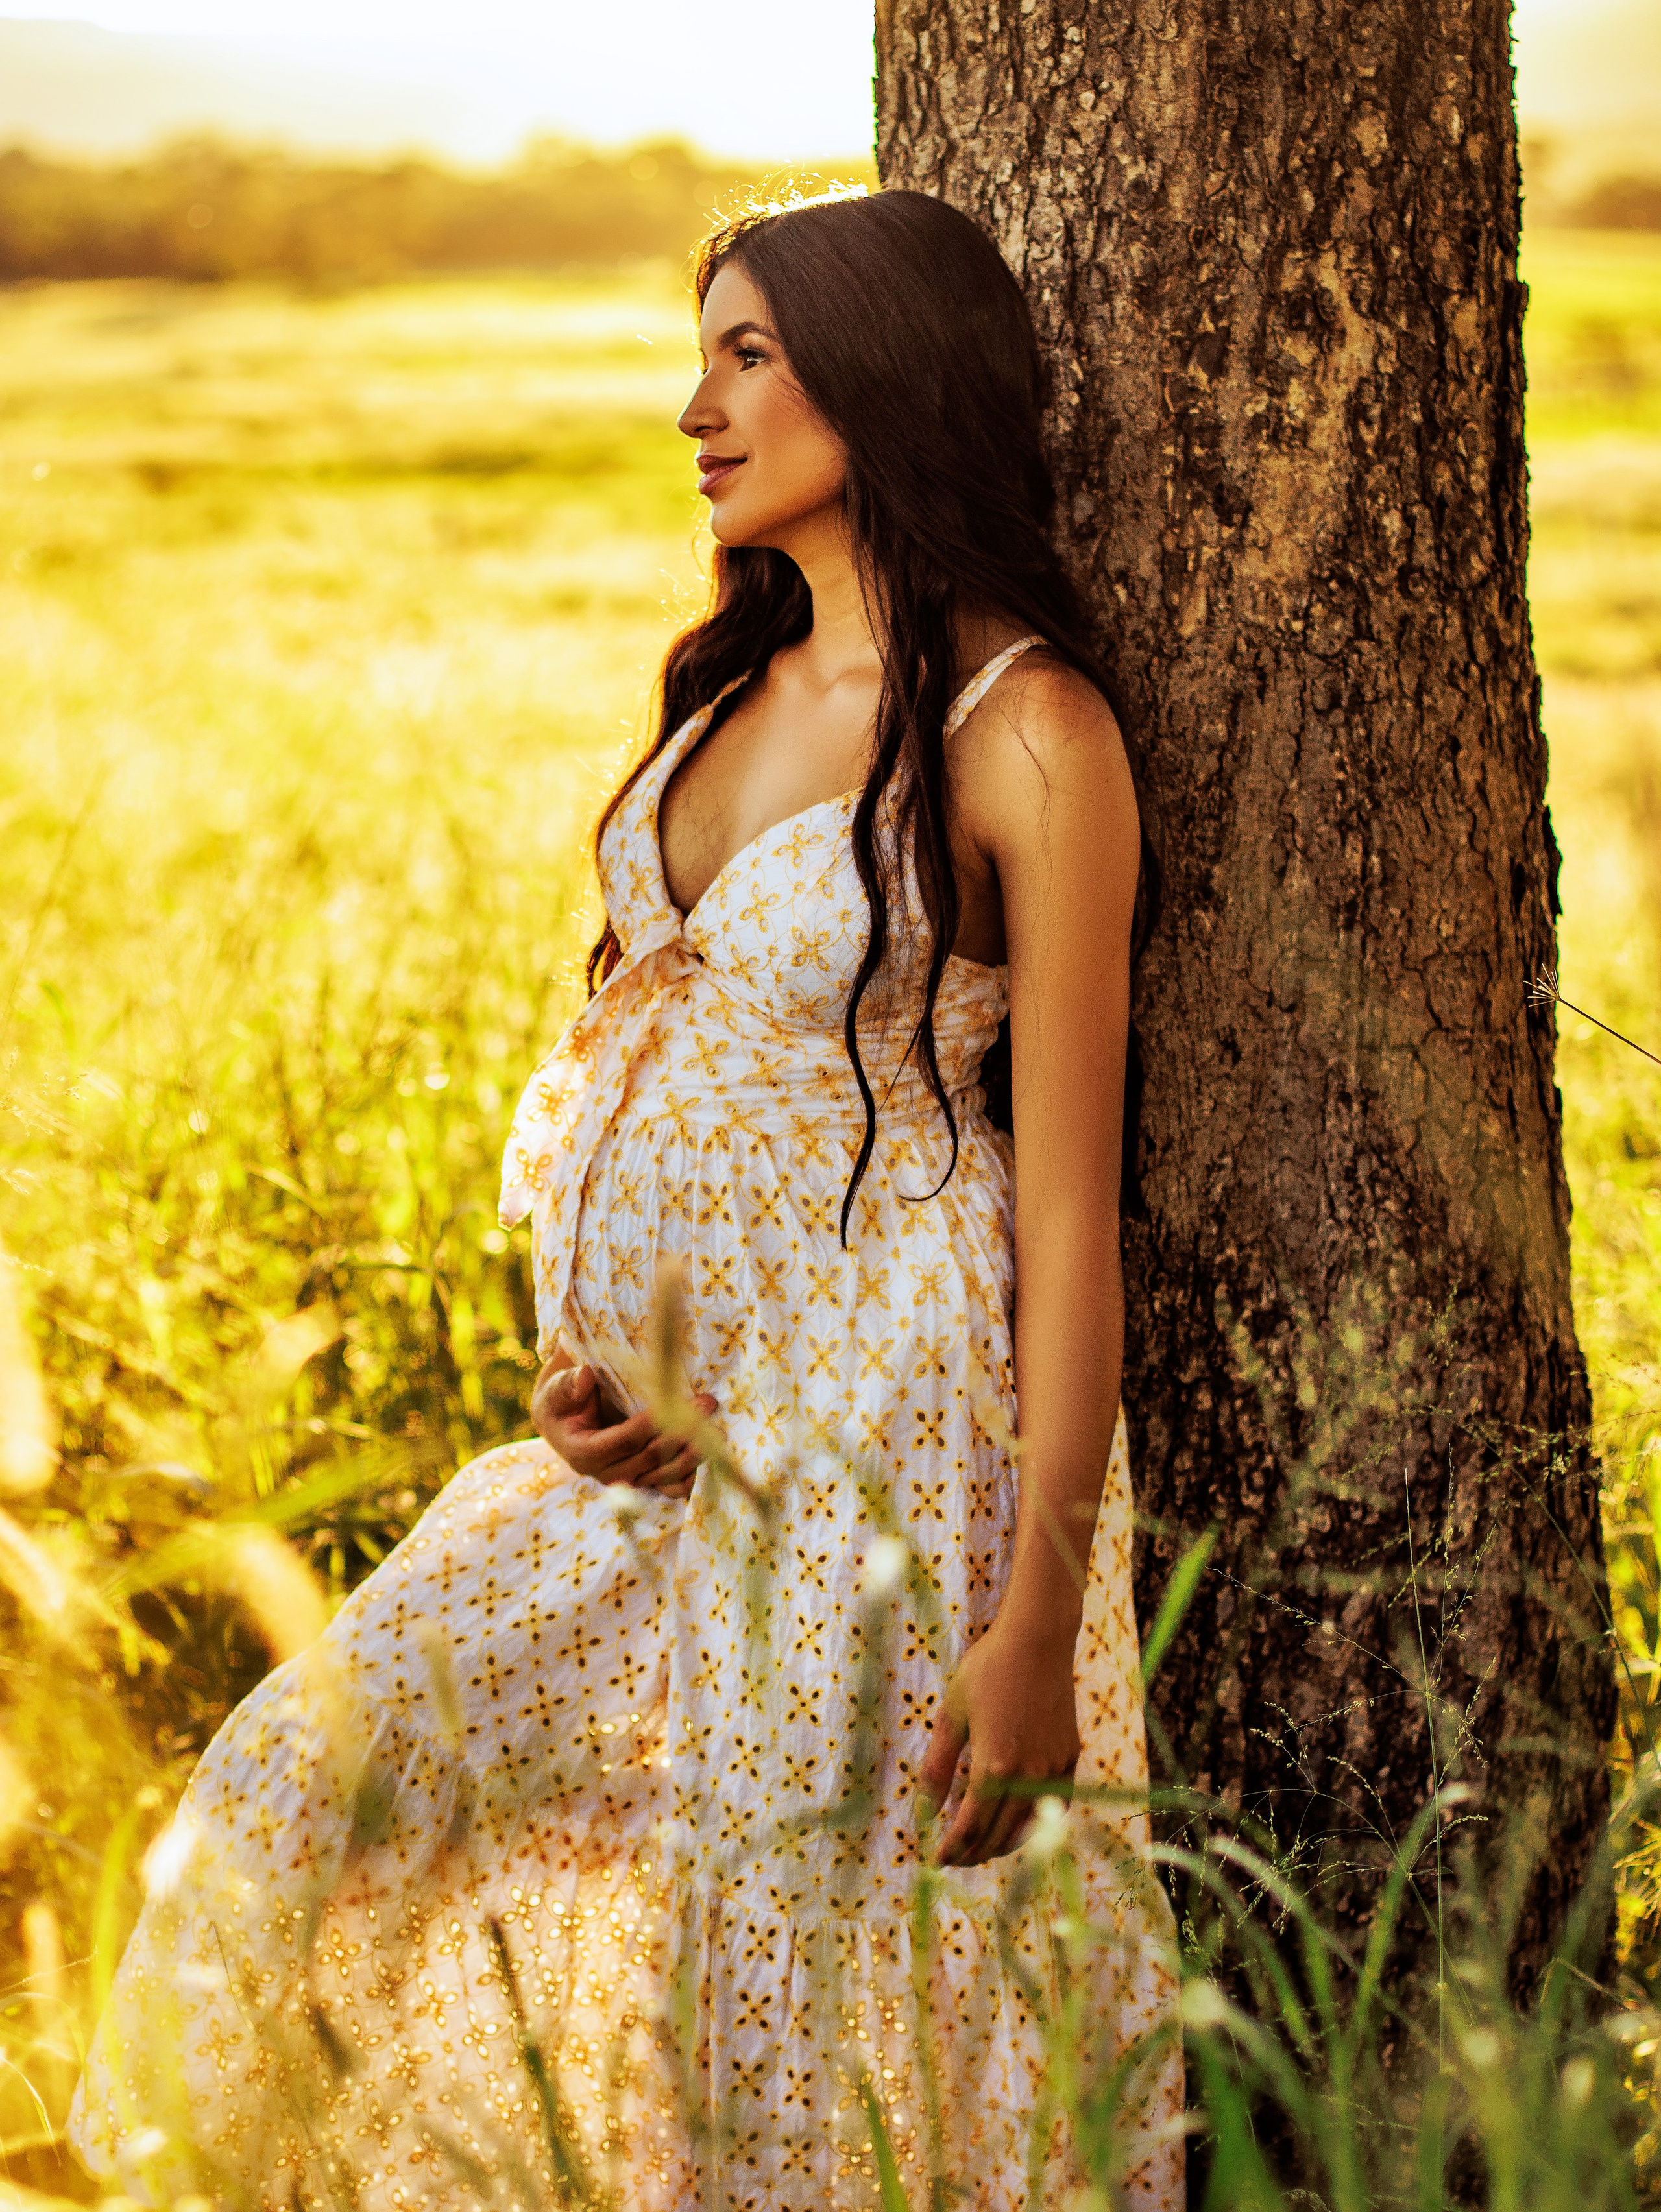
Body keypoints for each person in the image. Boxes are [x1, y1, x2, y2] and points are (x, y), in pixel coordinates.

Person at [71, 186, 1183, 2212]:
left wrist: (1036, 1613)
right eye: (708, 353)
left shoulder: (1027, 730)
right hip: (663, 1444)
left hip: (890, 1432)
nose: (700, 405)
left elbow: (1070, 1217)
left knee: (784, 1974)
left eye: (749, 354)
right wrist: (617, 1362)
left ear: (885, 366)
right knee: (305, 1778)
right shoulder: (728, 688)